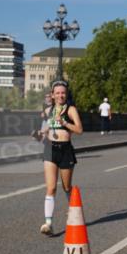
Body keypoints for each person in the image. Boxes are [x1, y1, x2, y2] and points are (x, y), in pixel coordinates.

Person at [40, 81, 84, 235]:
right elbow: (45, 129)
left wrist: (64, 122)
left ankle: (74, 209)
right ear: (52, 95)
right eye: (57, 93)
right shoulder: (47, 111)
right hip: (50, 149)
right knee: (51, 188)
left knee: (66, 187)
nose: (60, 95)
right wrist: (40, 134)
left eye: (63, 93)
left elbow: (79, 129)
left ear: (66, 94)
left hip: (65, 150)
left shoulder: (71, 110)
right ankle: (48, 223)